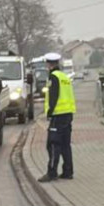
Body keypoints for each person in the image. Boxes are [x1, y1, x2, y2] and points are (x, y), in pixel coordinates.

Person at [37, 52, 75, 182]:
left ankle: (52, 172)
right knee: (65, 144)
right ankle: (68, 171)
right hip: (68, 114)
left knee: (53, 144)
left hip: (57, 116)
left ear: (49, 64)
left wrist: (49, 112)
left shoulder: (53, 77)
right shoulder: (65, 77)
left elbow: (53, 96)